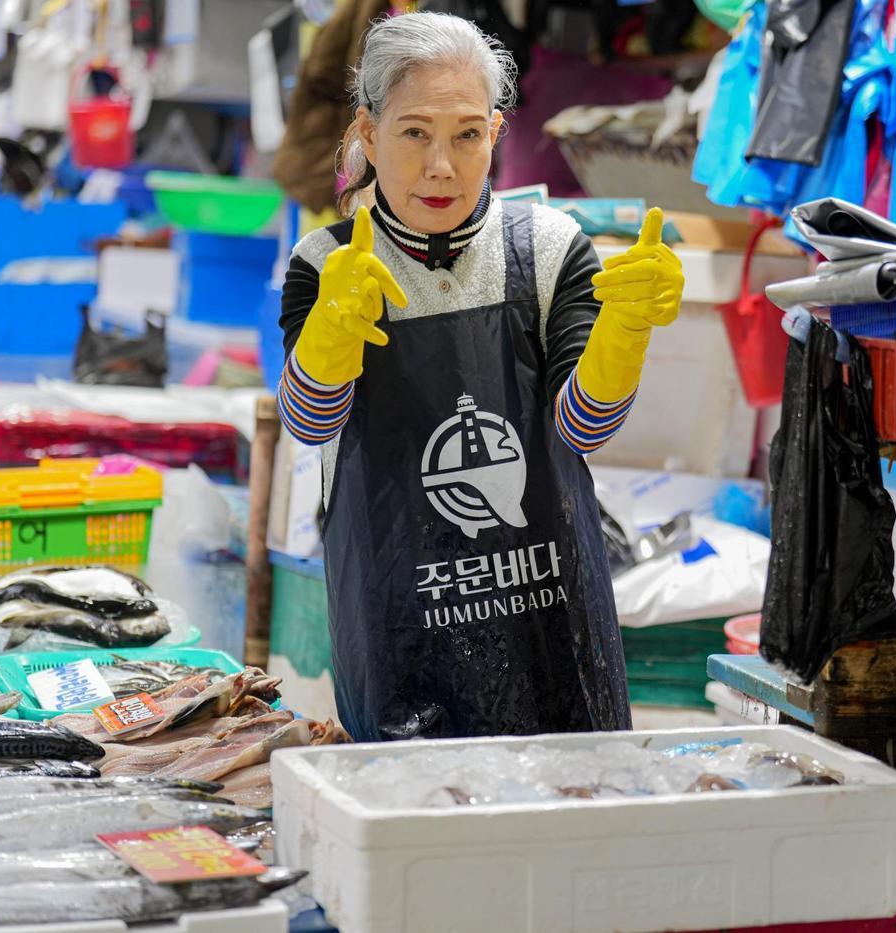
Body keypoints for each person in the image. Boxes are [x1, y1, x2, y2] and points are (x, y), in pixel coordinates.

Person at [277, 12, 684, 743]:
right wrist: (331, 333)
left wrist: (624, 332)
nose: (442, 164)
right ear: (368, 134)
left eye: (467, 134)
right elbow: (310, 424)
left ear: (496, 134)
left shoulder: (551, 250)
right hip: (401, 650)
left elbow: (580, 428)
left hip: (554, 644)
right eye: (414, 133)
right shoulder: (325, 262)